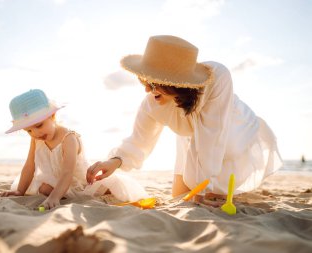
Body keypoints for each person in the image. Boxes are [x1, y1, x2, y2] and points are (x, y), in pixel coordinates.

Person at [86, 35, 283, 203]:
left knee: (203, 195)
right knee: (180, 195)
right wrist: (115, 161)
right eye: (143, 81)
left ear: (176, 85)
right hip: (191, 139)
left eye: (152, 84)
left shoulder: (216, 77)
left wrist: (203, 188)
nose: (147, 90)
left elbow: (212, 137)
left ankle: (220, 190)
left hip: (230, 133)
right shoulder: (151, 103)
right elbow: (139, 141)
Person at [0, 89, 148, 209]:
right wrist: (20, 191)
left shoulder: (68, 138)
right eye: (29, 131)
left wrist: (55, 197)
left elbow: (67, 172)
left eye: (38, 125)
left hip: (78, 181)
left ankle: (66, 195)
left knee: (105, 189)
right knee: (43, 188)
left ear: (53, 116)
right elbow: (29, 166)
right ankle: (59, 195)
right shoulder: (36, 139)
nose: (35, 133)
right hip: (56, 180)